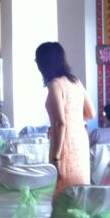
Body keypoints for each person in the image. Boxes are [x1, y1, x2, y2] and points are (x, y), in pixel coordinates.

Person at [35, 41, 95, 199]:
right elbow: (90, 113)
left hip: (64, 143)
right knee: (80, 191)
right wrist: (73, 121)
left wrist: (55, 158)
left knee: (62, 192)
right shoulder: (75, 82)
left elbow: (61, 122)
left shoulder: (55, 85)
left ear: (44, 63)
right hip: (80, 140)